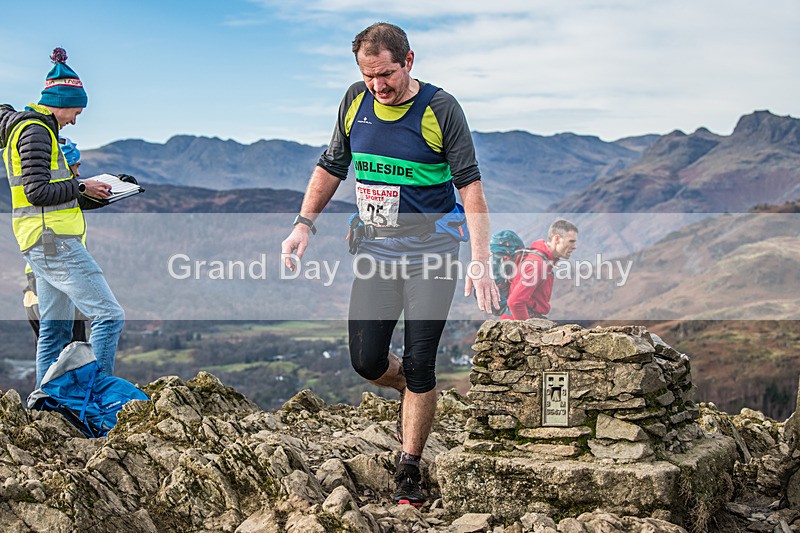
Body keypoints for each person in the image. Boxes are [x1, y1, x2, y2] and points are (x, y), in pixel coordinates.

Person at [281, 22, 499, 507]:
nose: (378, 85)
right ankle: (412, 387)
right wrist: (303, 225)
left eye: (387, 74)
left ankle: (409, 469)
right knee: (366, 361)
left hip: (433, 253)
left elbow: (471, 188)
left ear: (409, 62)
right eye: (369, 74)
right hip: (377, 251)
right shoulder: (355, 101)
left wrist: (480, 261)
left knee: (422, 360)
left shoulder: (440, 109)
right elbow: (332, 165)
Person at [0, 48, 125, 389]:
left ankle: (45, 406)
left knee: (54, 331)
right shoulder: (38, 131)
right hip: (52, 241)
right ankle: (97, 397)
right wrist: (82, 183)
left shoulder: (34, 130)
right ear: (61, 101)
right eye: (76, 111)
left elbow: (52, 194)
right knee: (109, 315)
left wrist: (88, 192)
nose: (75, 119)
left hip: (43, 240)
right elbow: (38, 192)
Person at [23, 138, 88, 349]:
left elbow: (83, 197)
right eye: (75, 166)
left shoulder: (52, 196)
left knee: (51, 359)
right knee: (72, 359)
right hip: (57, 285)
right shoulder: (50, 201)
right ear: (62, 165)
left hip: (34, 291)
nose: (78, 174)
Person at [501, 219, 578, 320]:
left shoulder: (543, 261)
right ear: (557, 239)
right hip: (516, 325)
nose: (574, 247)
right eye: (571, 241)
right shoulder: (537, 264)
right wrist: (527, 332)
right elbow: (515, 302)